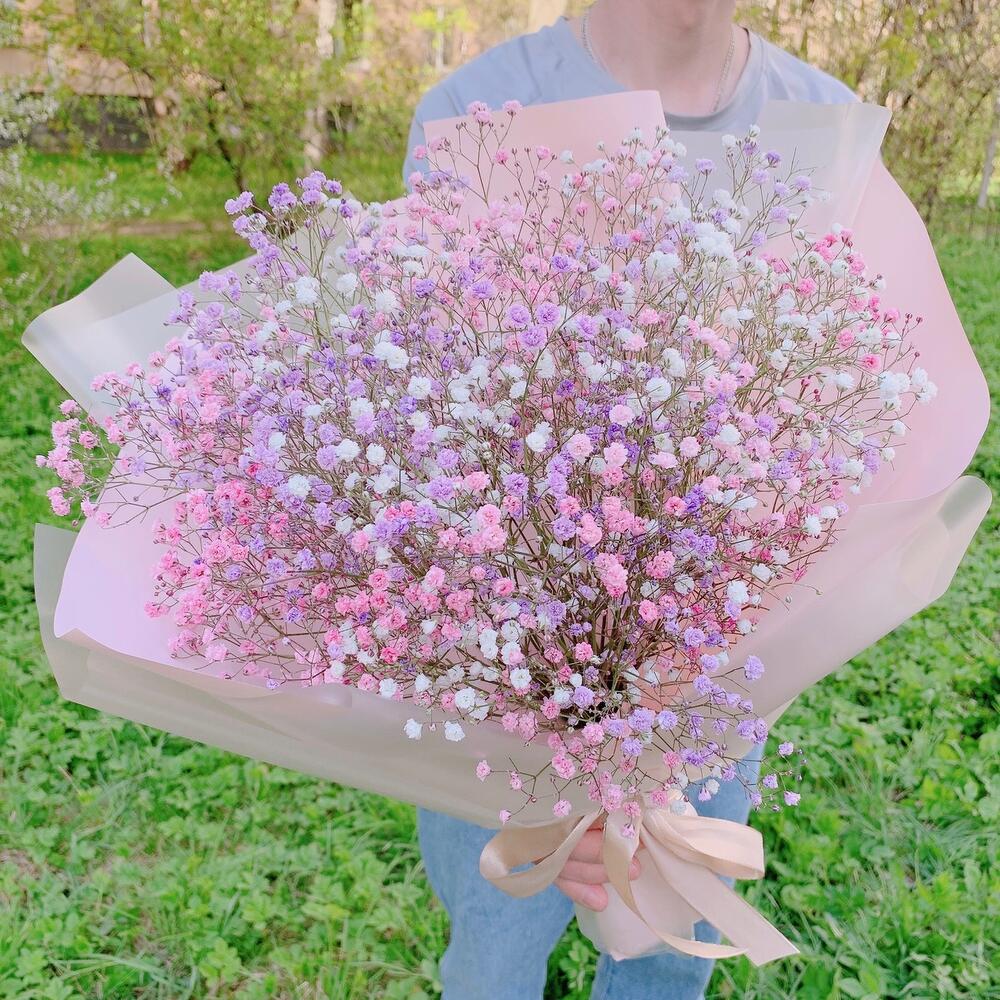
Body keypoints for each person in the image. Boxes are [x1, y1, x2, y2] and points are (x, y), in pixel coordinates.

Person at [403, 3, 856, 998]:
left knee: (662, 966)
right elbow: (424, 448)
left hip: (711, 694)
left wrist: (668, 705)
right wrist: (555, 739)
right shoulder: (477, 114)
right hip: (502, 707)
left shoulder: (824, 130)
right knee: (493, 956)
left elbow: (842, 465)